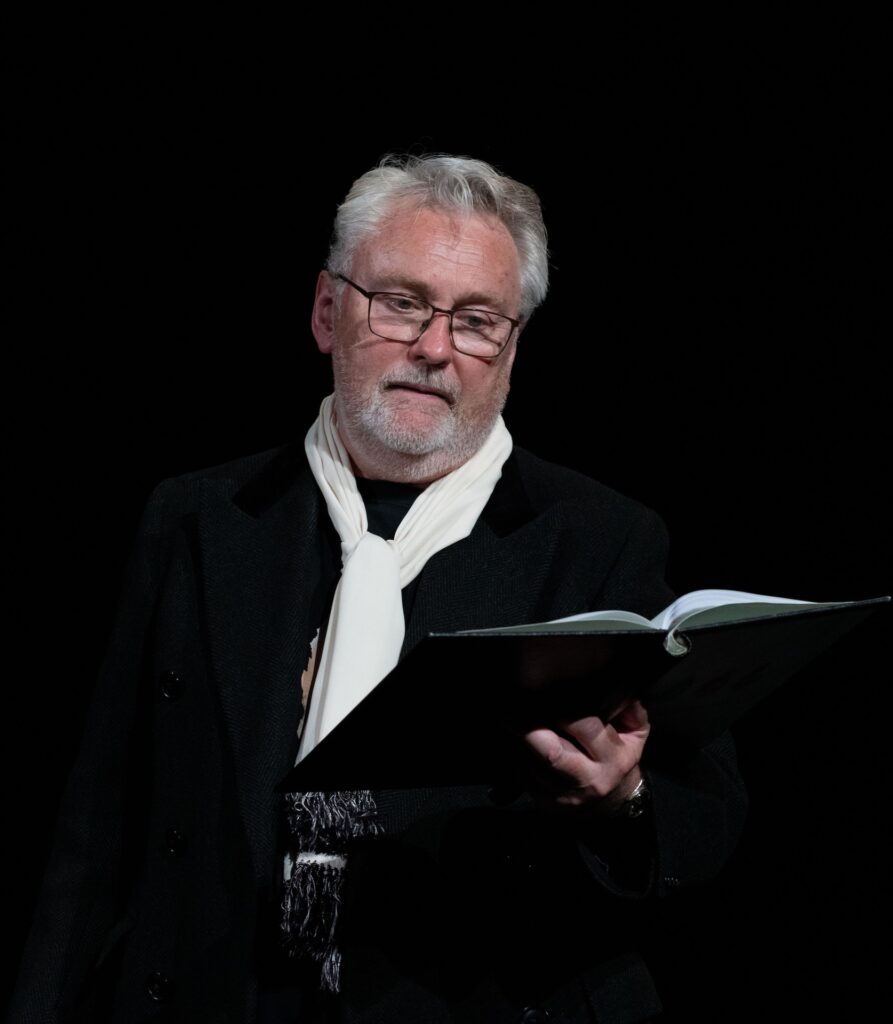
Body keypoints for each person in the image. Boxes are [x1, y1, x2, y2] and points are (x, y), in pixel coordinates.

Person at [10, 154, 747, 1023]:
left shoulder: (598, 538)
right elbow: (97, 827)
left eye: (476, 321)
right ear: (327, 311)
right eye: (399, 302)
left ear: (510, 351)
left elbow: (702, 824)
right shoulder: (197, 519)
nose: (434, 348)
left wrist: (621, 801)